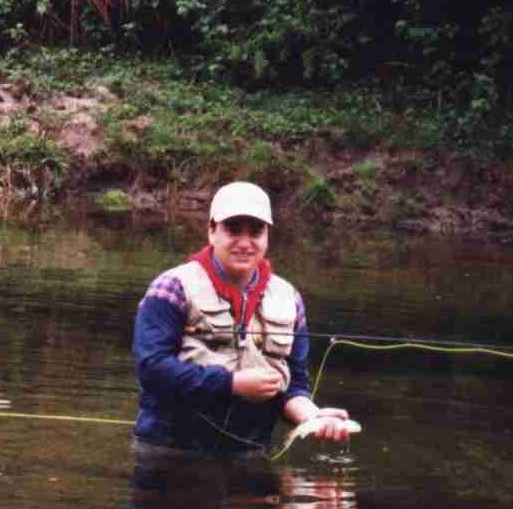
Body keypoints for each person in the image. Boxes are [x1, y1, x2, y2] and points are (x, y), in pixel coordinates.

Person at [133, 181, 352, 459]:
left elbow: (294, 383)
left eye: (256, 231)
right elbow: (151, 370)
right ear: (212, 231)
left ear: (267, 236)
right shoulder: (171, 288)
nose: (245, 242)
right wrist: (231, 384)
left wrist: (312, 416)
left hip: (249, 455)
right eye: (233, 229)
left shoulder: (290, 298)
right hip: (167, 452)